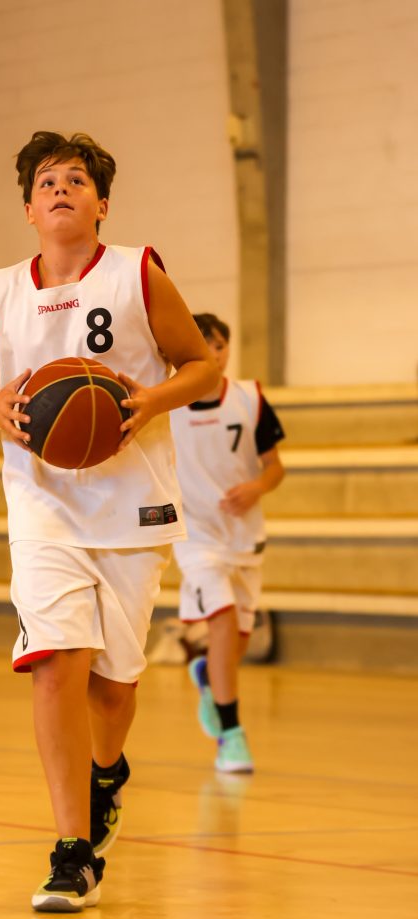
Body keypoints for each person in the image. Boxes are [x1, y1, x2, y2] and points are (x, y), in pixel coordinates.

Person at [0, 131, 218, 912]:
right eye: (47, 182)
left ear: (101, 204)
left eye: (76, 180)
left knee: (111, 690)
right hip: (41, 503)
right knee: (54, 664)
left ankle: (108, 771)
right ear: (29, 209)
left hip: (131, 502)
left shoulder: (137, 271)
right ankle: (72, 853)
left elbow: (201, 365)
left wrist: (149, 401)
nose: (61, 191)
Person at [169, 313, 286, 773]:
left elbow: (274, 467)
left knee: (235, 642)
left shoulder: (249, 399)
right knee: (220, 621)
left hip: (244, 536)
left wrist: (257, 487)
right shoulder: (166, 406)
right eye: (205, 346)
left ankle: (207, 676)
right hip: (196, 536)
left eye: (220, 345)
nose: (214, 354)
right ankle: (232, 736)